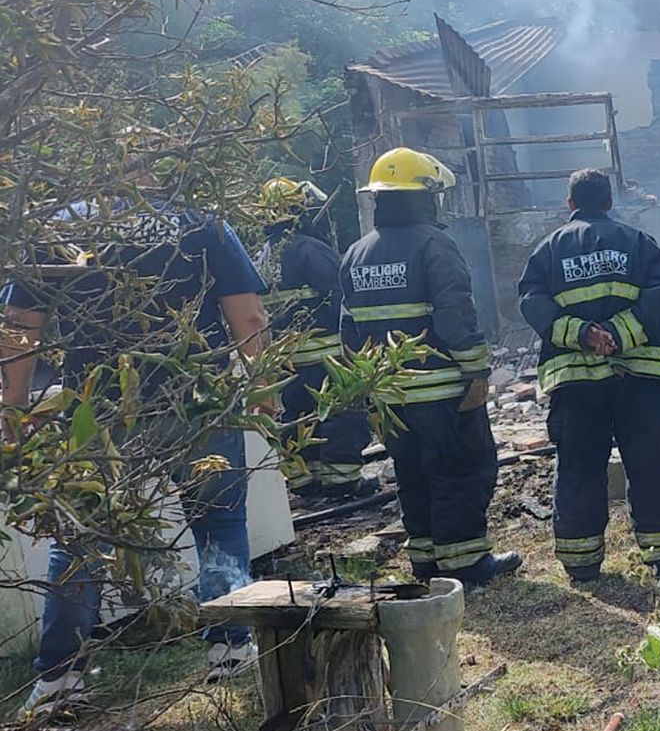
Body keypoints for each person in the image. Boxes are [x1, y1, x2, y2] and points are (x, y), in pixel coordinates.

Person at [1, 193, 270, 715]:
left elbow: (19, 325)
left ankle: (58, 678)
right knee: (219, 522)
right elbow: (249, 315)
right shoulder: (200, 221)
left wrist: (12, 404)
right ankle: (231, 648)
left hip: (98, 409)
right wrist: (263, 387)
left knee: (81, 537)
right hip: (194, 400)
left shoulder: (58, 229)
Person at [340, 148, 520, 586]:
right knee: (460, 469)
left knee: (412, 474)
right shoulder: (434, 244)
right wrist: (477, 370)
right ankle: (466, 563)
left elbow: (348, 330)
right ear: (424, 196)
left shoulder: (356, 253)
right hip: (441, 392)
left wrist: (367, 389)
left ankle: (425, 560)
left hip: (389, 396)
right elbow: (454, 314)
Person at [517, 168, 660, 582]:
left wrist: (584, 335)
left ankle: (581, 564)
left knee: (579, 467)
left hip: (576, 382)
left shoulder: (547, 250)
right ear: (610, 202)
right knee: (650, 463)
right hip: (642, 376)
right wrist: (619, 333)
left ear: (570, 204)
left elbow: (531, 301)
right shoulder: (638, 242)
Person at [256, 177, 372, 501]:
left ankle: (306, 480)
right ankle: (342, 481)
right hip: (327, 355)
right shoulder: (310, 249)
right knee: (341, 413)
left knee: (299, 417)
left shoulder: (263, 257)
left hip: (287, 362)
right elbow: (343, 296)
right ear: (297, 209)